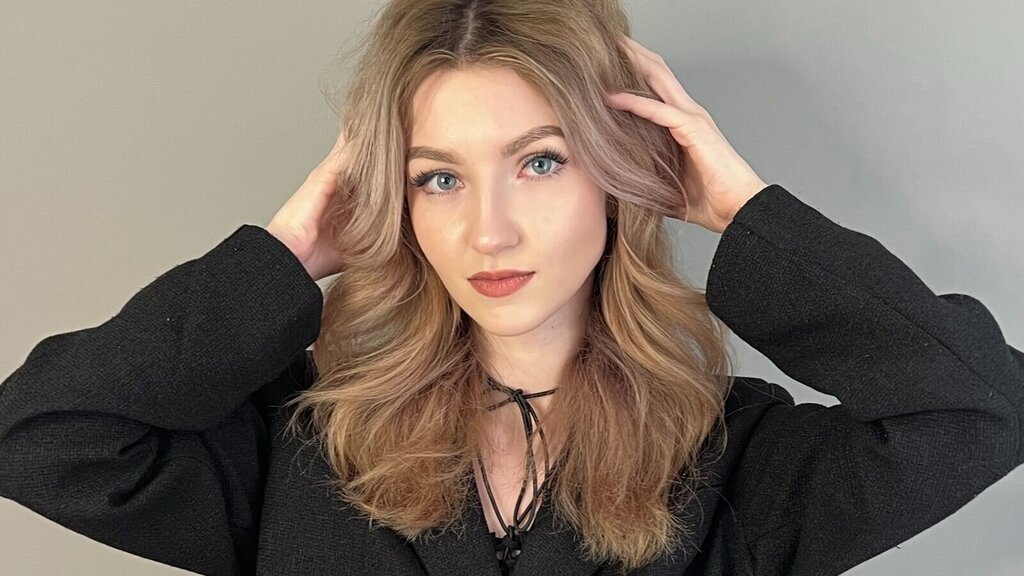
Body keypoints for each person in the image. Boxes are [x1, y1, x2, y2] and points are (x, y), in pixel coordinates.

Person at [1, 1, 1021, 575]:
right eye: (437, 178)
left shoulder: (735, 458)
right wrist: (284, 251)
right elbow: (40, 436)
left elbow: (982, 410)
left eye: (540, 161)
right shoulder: (295, 442)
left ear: (618, 175)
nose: (487, 229)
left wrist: (741, 211)